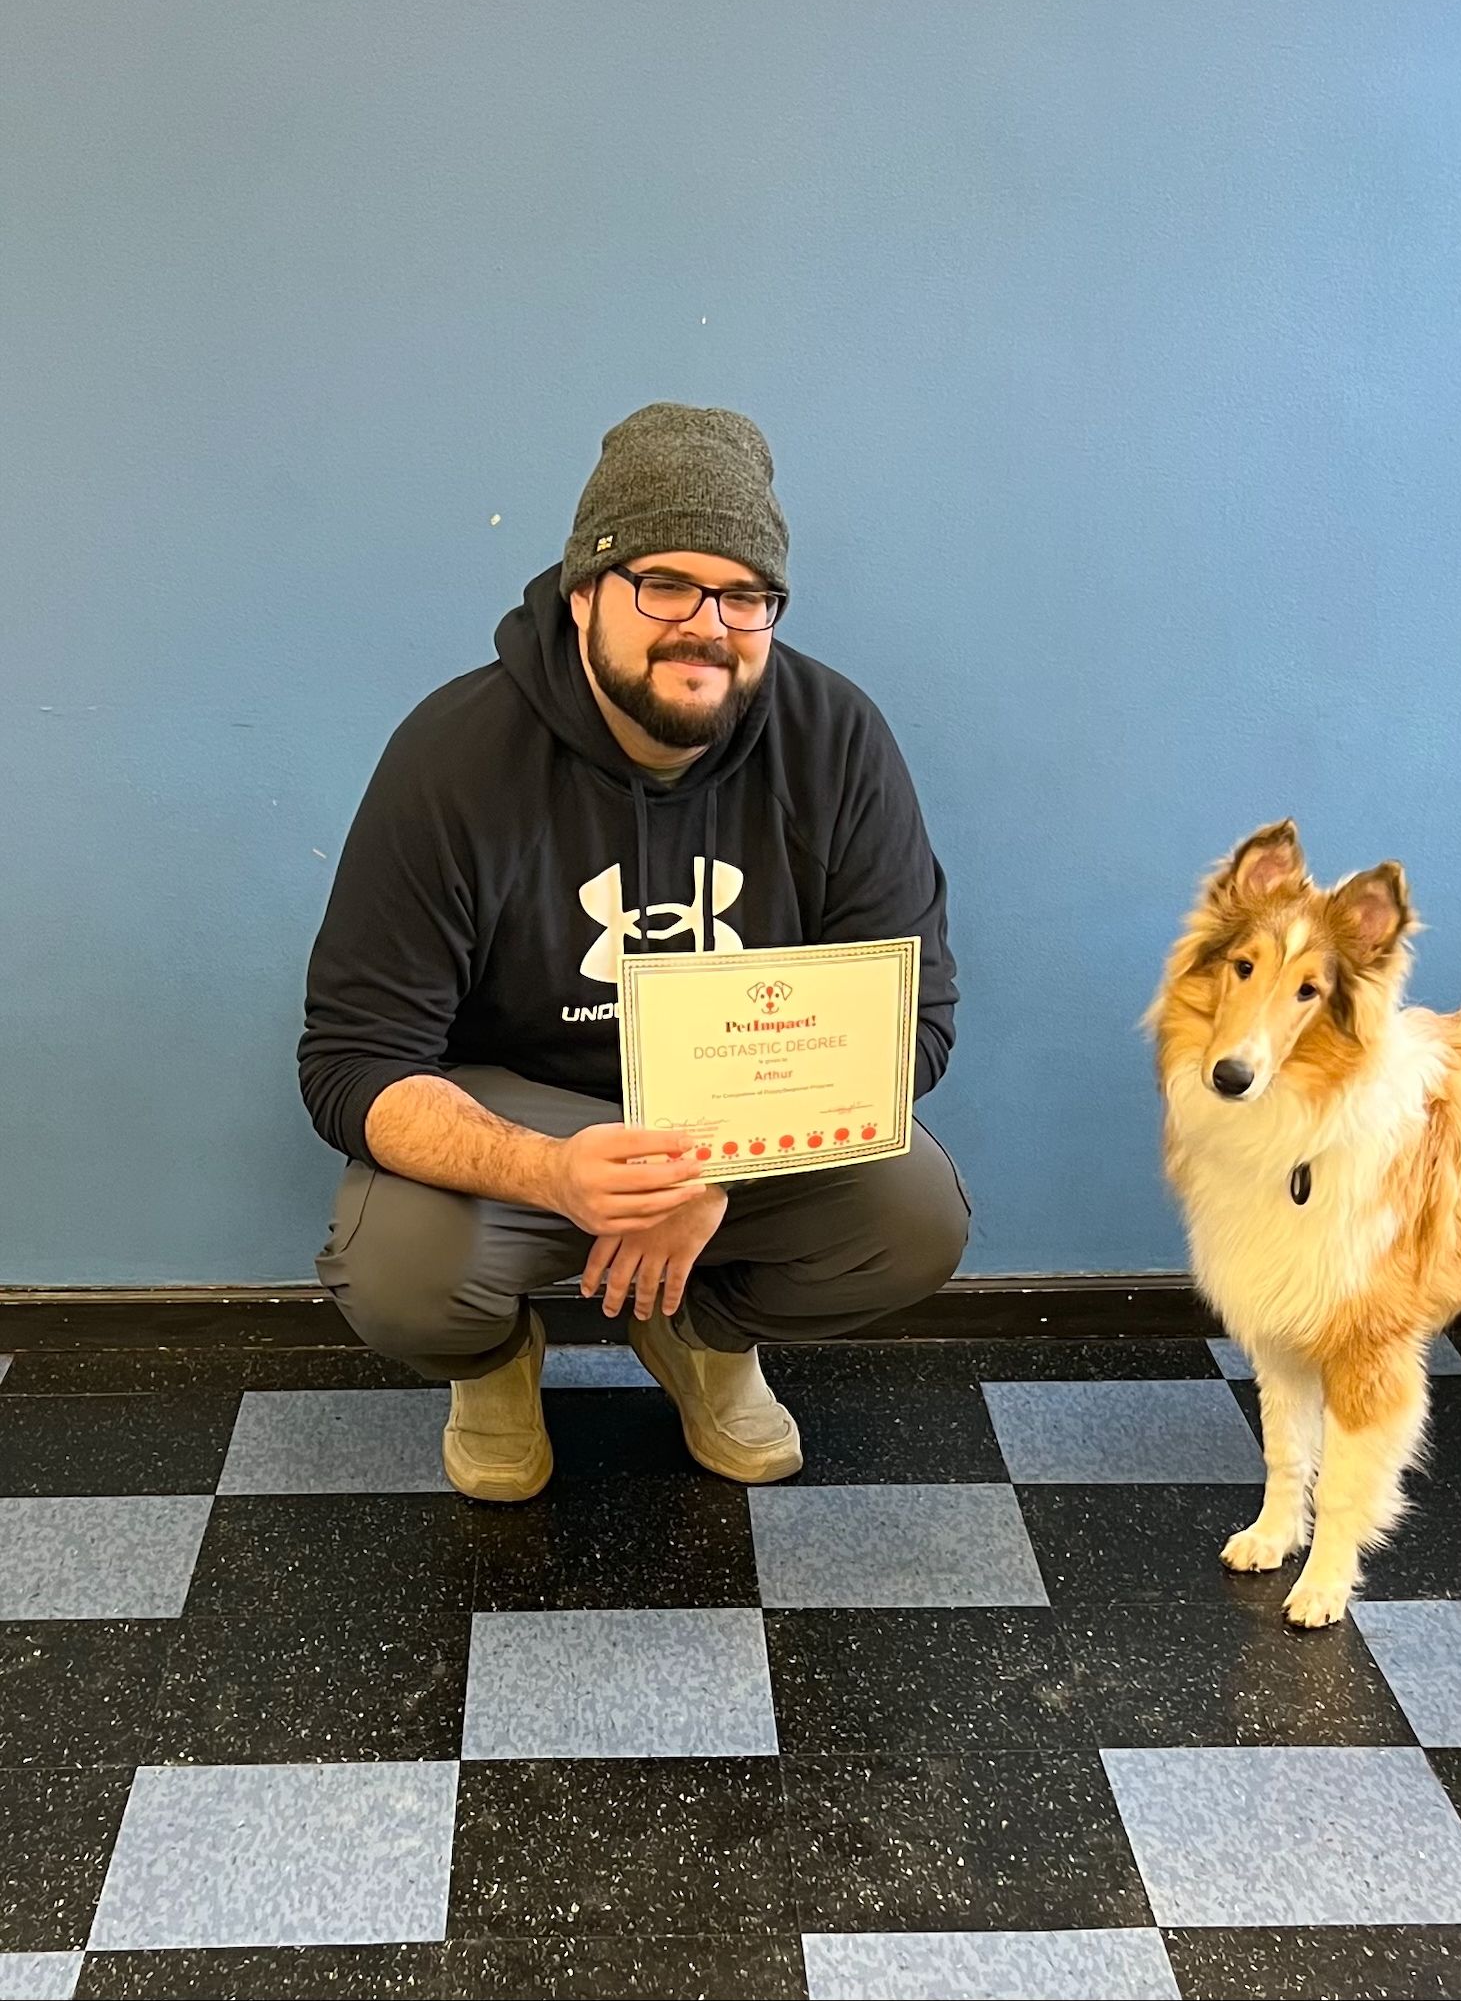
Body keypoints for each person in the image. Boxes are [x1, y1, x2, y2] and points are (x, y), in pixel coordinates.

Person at [298, 403, 966, 1500]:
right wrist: (549, 1168)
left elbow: (912, 1025)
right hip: (521, 1110)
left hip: (745, 1119)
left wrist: (719, 1165)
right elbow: (352, 1061)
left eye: (744, 594)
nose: (706, 624)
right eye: (665, 582)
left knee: (913, 1211)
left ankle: (702, 1339)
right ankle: (492, 1366)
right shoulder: (453, 755)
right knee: (403, 1273)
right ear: (583, 593)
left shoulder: (838, 738)